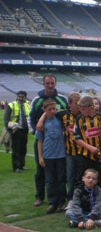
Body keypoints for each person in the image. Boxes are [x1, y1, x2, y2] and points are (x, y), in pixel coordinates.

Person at [29, 74, 68, 207]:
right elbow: (31, 118)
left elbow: (66, 115)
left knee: (60, 173)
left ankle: (60, 199)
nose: (50, 86)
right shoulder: (37, 100)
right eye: (48, 83)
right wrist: (37, 131)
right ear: (43, 84)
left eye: (52, 83)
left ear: (55, 84)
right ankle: (39, 196)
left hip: (59, 142)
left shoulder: (62, 99)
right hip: (43, 140)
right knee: (41, 171)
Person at [35, 99, 67, 214]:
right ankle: (52, 202)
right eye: (50, 109)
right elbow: (39, 141)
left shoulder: (59, 119)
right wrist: (40, 157)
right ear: (44, 110)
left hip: (61, 154)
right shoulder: (42, 124)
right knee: (50, 180)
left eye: (54, 108)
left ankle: (61, 202)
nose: (53, 111)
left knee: (61, 179)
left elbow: (64, 111)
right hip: (48, 155)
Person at [73, 96, 101, 190]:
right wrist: (89, 147)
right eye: (80, 109)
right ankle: (80, 201)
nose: (81, 111)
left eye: (83, 109)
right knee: (82, 180)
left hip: (100, 157)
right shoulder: (79, 119)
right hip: (84, 156)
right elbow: (76, 137)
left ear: (91, 108)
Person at [57, 92, 81, 209]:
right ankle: (70, 199)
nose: (79, 106)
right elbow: (49, 113)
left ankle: (81, 199)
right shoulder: (63, 115)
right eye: (76, 103)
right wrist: (41, 121)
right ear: (70, 104)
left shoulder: (84, 114)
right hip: (70, 152)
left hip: (83, 152)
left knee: (82, 176)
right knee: (70, 177)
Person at [4, 91, 29, 172]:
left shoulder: (27, 105)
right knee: (16, 149)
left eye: (22, 97)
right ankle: (16, 167)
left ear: (25, 98)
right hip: (15, 130)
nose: (20, 98)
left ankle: (21, 165)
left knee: (23, 149)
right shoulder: (12, 105)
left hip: (24, 130)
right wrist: (8, 129)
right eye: (19, 96)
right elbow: (6, 118)